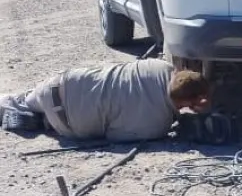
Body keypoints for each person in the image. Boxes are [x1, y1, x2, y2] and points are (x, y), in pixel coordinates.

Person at [0, 59, 210, 142]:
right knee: (52, 120)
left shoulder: (159, 66)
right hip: (68, 122)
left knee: (22, 99)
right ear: (187, 104)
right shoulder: (155, 125)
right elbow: (113, 135)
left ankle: (20, 105)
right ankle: (43, 122)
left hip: (60, 84)